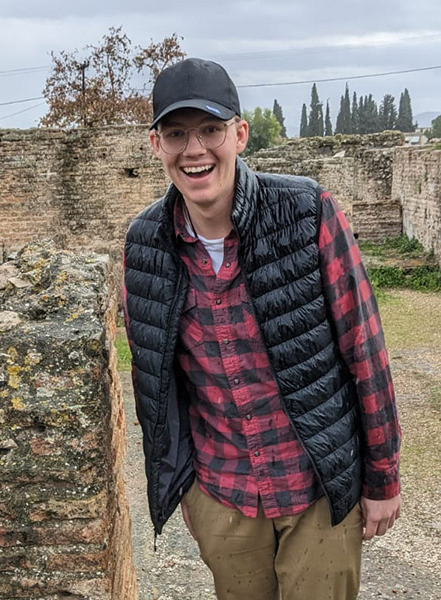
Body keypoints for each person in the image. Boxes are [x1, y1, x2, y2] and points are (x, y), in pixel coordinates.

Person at [122, 57, 401, 600]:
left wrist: (383, 477)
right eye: (176, 134)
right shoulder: (144, 244)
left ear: (240, 134)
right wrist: (184, 488)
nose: (195, 149)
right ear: (156, 145)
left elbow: (365, 350)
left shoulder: (307, 211)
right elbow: (153, 381)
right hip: (223, 493)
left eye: (210, 129)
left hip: (316, 484)